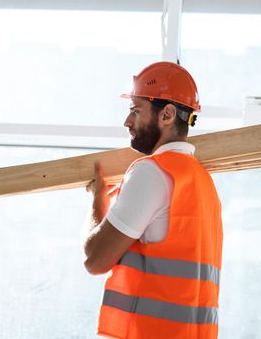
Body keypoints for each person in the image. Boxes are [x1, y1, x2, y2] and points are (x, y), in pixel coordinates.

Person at [82, 61, 223, 338]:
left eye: (136, 111)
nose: (127, 121)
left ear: (167, 114)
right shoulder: (201, 181)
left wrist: (98, 200)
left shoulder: (152, 172)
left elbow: (94, 260)